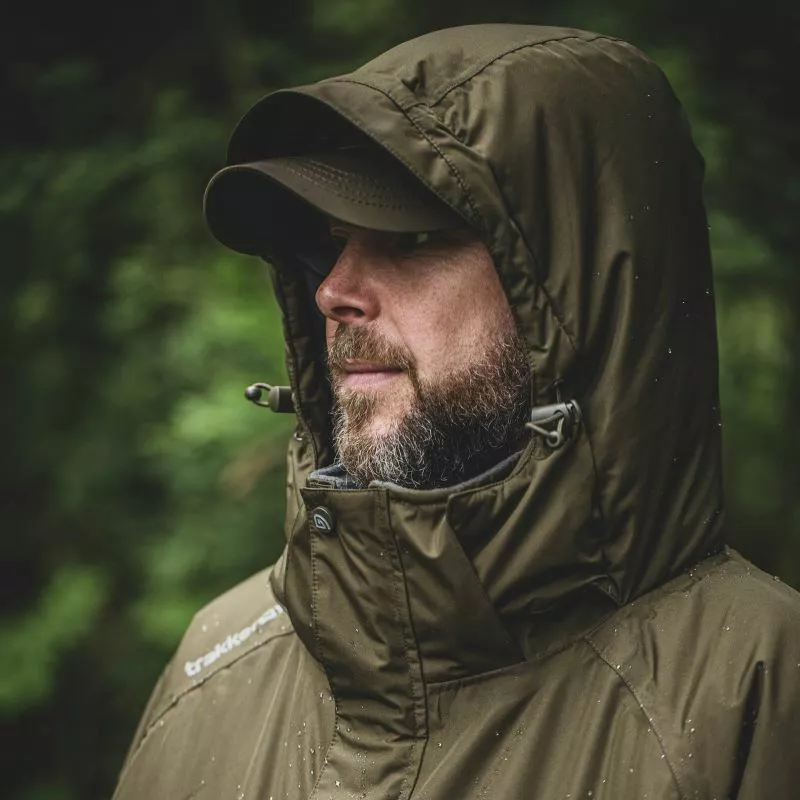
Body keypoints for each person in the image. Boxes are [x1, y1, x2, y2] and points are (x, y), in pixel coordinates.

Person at [113, 24, 800, 800]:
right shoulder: (211, 669)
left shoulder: (756, 691)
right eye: (332, 244)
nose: (333, 292)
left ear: (572, 302)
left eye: (412, 240)